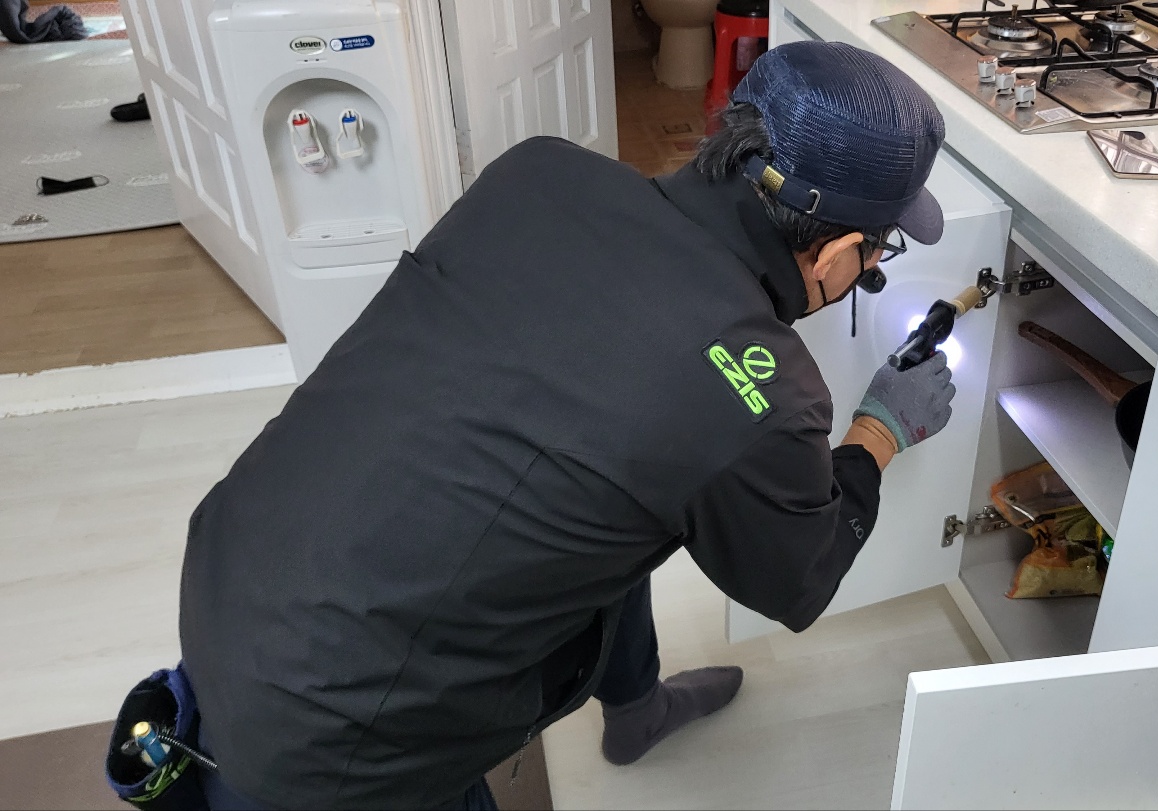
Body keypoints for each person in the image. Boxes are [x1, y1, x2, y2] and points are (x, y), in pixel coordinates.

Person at [176, 40, 955, 810]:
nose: (871, 267)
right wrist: (880, 428)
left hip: (229, 582)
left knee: (614, 472)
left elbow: (616, 414)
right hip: (340, 746)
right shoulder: (768, 394)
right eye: (879, 251)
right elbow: (799, 579)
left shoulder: (539, 172)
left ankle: (636, 706)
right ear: (836, 253)